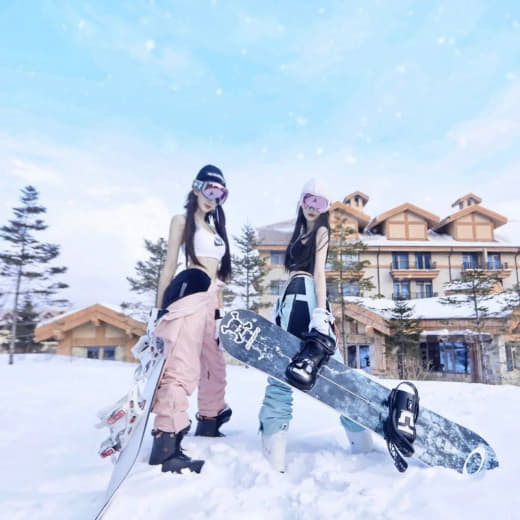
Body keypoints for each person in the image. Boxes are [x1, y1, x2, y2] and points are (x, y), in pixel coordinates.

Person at [258, 178, 373, 472]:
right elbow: (293, 275)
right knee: (300, 369)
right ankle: (276, 445)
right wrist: (279, 308)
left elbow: (319, 274)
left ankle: (360, 440)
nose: (313, 207)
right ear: (301, 200)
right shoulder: (300, 232)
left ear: (326, 208)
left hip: (308, 298)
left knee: (320, 369)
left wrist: (321, 313)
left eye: (320, 203)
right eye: (309, 200)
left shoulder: (321, 231)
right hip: (292, 299)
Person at [149, 164, 232, 474]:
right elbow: (169, 266)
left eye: (221, 194)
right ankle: (166, 443)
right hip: (190, 296)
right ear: (196, 187)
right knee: (182, 368)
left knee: (214, 364)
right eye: (210, 190)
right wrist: (158, 311)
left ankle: (209, 420)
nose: (214, 198)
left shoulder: (215, 230)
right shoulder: (182, 221)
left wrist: (220, 315)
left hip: (212, 300)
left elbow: (219, 276)